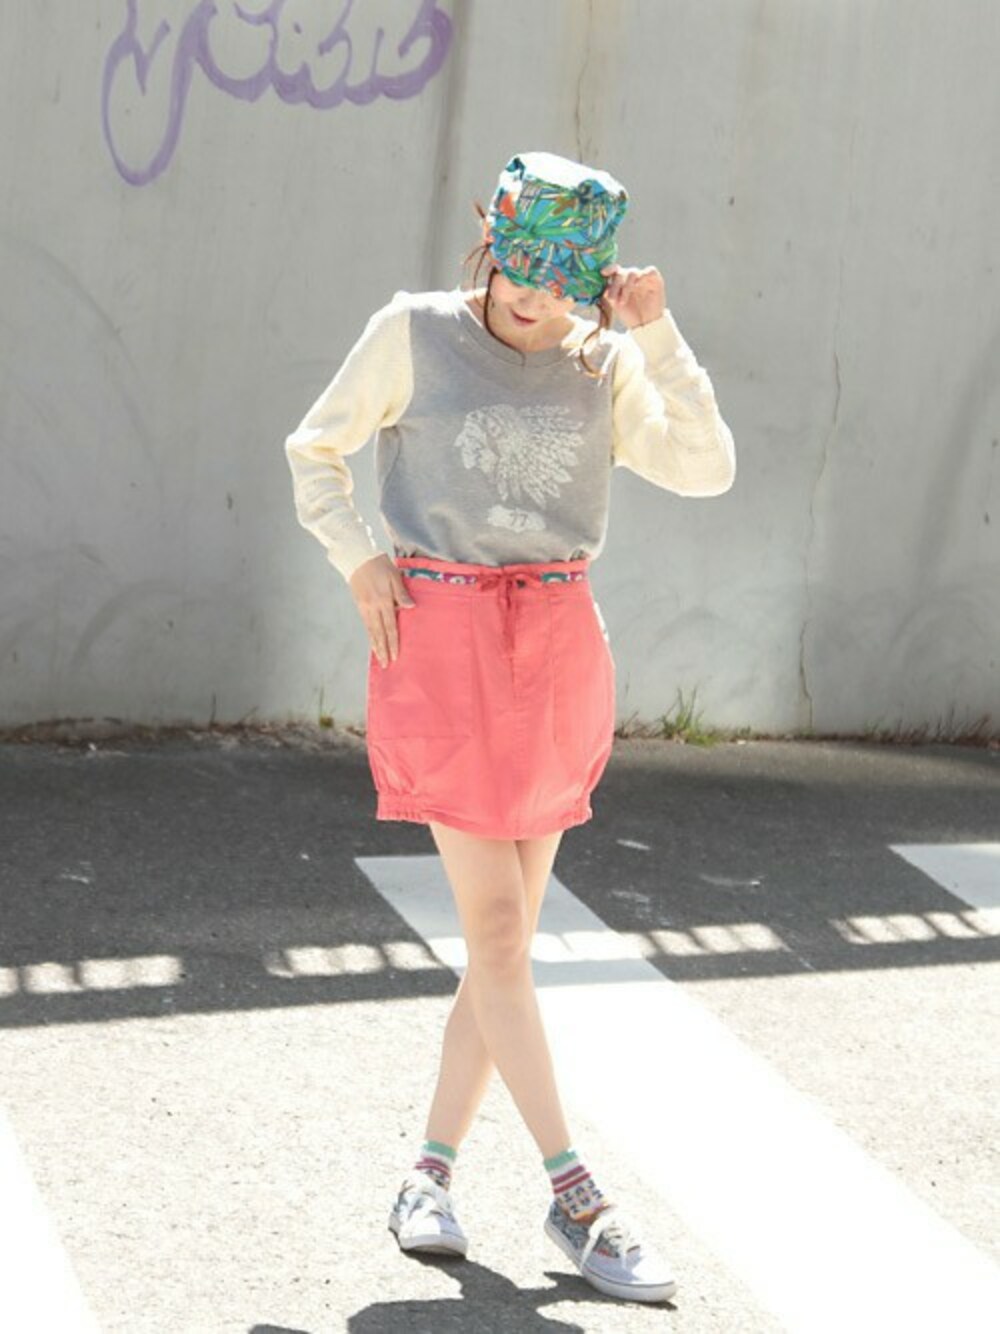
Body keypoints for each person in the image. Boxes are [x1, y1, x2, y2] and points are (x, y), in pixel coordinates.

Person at [283, 150, 736, 1306]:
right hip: (440, 640)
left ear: (592, 279)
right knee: (496, 932)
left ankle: (427, 1176)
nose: (530, 296)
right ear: (489, 241)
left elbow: (704, 466)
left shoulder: (601, 359)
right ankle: (575, 1191)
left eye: (559, 278)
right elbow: (314, 448)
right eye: (516, 265)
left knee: (503, 952)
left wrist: (656, 333)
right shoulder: (414, 330)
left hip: (558, 645)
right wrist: (359, 559)